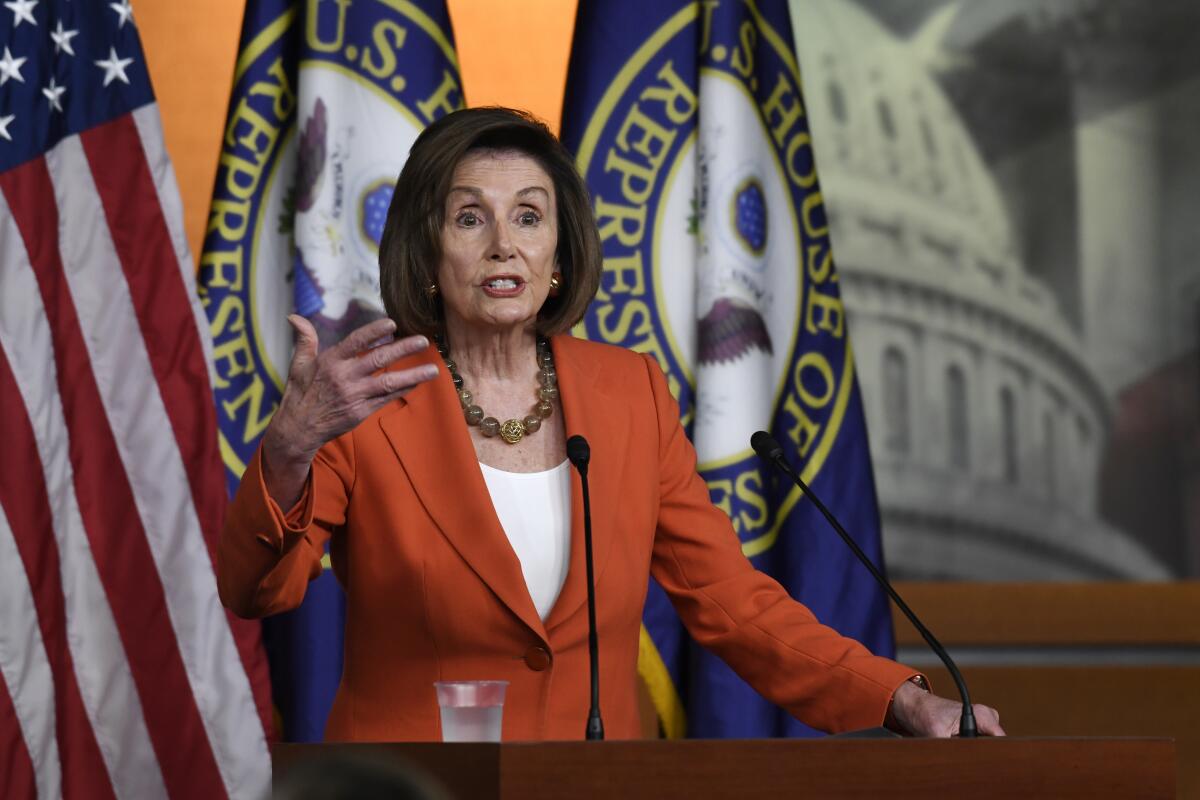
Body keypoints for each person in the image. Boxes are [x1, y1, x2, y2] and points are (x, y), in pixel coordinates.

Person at [217, 107, 1003, 741]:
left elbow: (732, 603)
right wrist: (287, 450)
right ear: (427, 250)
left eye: (528, 217)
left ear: (558, 252)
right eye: (469, 219)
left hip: (596, 783)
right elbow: (257, 592)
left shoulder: (629, 395)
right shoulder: (364, 402)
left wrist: (898, 697)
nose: (503, 245)